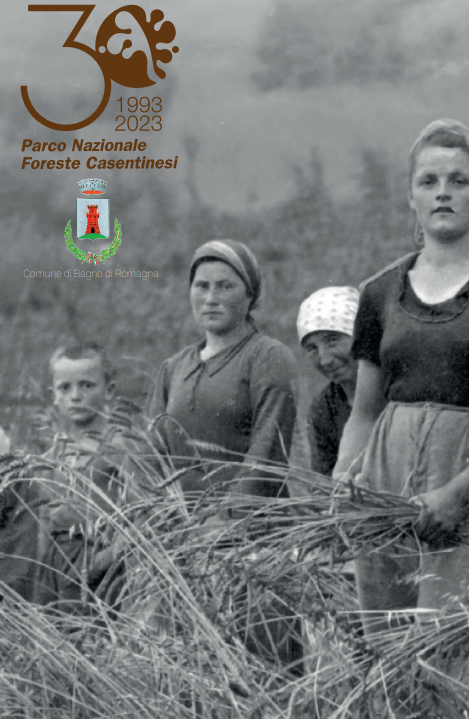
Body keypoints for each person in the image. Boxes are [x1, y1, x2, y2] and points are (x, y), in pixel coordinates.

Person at [331, 119, 469, 699]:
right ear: (410, 195)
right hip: (385, 486)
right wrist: (343, 483)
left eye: (459, 180)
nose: (443, 192)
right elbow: (365, 409)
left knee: (460, 650)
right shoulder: (380, 292)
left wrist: (458, 495)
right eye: (428, 181)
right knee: (388, 653)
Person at [147, 239, 304, 675]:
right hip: (183, 546)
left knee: (262, 669)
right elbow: (151, 454)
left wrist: (223, 527)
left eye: (225, 286)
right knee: (191, 672)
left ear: (251, 295)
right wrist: (160, 529)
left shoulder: (268, 357)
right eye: (201, 286)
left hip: (253, 544)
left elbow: (267, 453)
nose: (211, 297)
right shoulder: (173, 368)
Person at [0, 342, 127, 611]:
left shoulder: (122, 448)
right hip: (56, 571)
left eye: (87, 386)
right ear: (53, 395)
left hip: (105, 569)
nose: (76, 396)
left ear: (109, 390)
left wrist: (104, 560)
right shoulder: (53, 455)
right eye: (65, 388)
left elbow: (142, 515)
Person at [296, 286, 360, 477]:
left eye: (332, 341)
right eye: (312, 348)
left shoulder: (399, 393)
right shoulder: (324, 408)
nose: (324, 360)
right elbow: (324, 482)